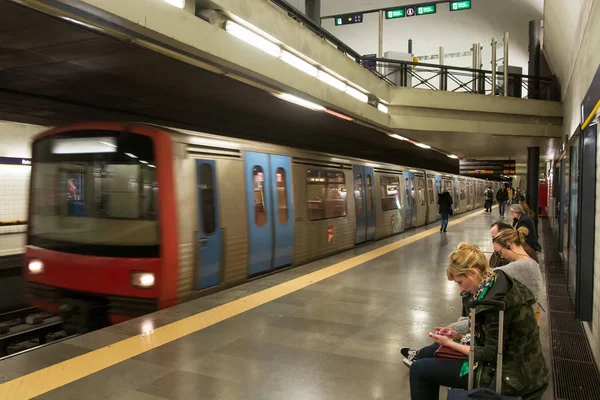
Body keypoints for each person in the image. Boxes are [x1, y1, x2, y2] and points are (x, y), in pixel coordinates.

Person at [408, 243, 549, 400]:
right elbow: (489, 338)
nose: (461, 289)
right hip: (515, 363)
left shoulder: (493, 304)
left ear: (473, 273)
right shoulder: (495, 281)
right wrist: (458, 336)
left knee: (419, 371)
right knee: (429, 352)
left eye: (460, 282)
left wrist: (451, 344)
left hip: (509, 374)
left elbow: (490, 354)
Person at [493, 227, 545, 325]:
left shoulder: (522, 266)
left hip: (518, 325)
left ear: (509, 245)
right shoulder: (532, 263)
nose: (502, 257)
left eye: (499, 252)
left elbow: (492, 273)